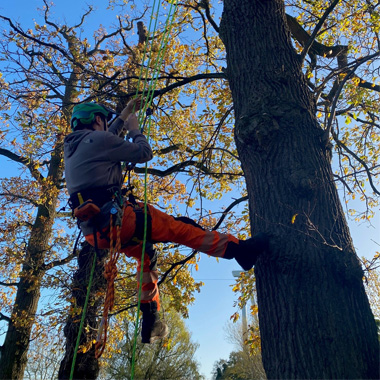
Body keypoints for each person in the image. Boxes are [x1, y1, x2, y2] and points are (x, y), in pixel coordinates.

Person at [64, 99, 269, 344]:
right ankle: (239, 250)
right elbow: (143, 152)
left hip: (98, 233)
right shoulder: (98, 141)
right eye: (104, 121)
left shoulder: (75, 148)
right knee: (179, 228)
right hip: (121, 221)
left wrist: (126, 112)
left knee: (146, 255)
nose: (107, 125)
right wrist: (134, 129)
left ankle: (151, 320)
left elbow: (105, 137)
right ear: (98, 120)